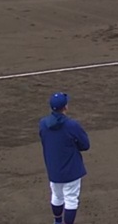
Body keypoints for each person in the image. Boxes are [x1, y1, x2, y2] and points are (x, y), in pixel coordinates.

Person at [40, 92, 90, 224]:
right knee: (71, 199)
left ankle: (57, 222)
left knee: (57, 196)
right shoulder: (71, 125)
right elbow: (85, 145)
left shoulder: (43, 124)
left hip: (53, 169)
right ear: (65, 107)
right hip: (71, 169)